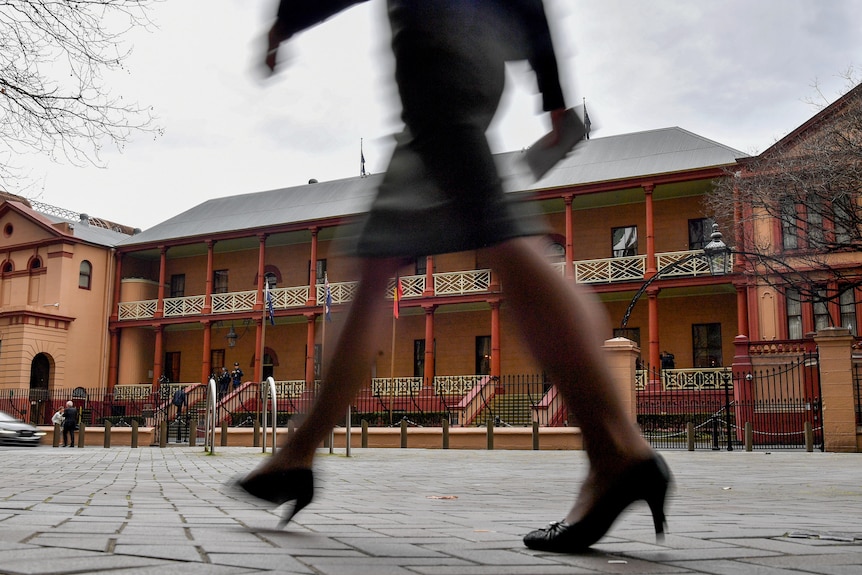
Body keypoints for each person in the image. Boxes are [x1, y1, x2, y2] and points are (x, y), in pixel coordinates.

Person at [238, 0, 671, 553]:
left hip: (437, 37)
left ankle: (619, 452)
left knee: (504, 239)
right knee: (377, 263)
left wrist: (289, 17)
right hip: (473, 41)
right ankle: (296, 456)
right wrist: (553, 92)